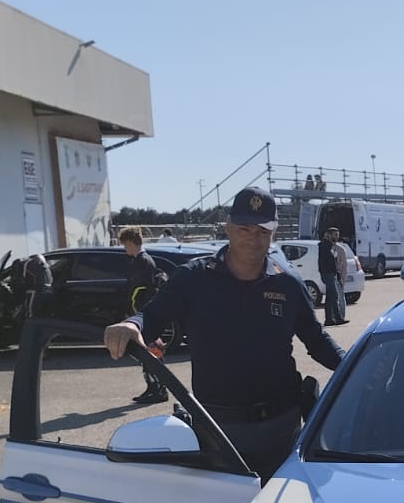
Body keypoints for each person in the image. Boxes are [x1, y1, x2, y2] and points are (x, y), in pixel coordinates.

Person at [103, 186, 343, 483]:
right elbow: (152, 316)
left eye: (263, 231)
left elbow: (317, 341)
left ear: (274, 232)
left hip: (281, 429)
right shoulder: (195, 278)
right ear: (228, 228)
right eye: (244, 229)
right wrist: (132, 325)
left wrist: (355, 367)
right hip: (218, 431)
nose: (253, 238)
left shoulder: (288, 284)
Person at [118, 227, 169, 404]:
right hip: (141, 313)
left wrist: (138, 313)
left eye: (125, 244)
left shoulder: (143, 261)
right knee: (147, 353)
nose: (124, 248)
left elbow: (146, 291)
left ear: (131, 242)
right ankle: (153, 387)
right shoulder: (140, 260)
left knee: (151, 352)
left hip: (143, 315)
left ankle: (159, 390)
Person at [317, 226, 348, 326]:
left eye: (337, 235)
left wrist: (337, 274)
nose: (337, 237)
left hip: (332, 274)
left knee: (330, 297)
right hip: (328, 274)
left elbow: (333, 262)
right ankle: (338, 318)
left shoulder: (330, 246)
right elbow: (324, 262)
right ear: (329, 235)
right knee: (334, 295)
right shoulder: (324, 246)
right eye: (335, 235)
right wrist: (326, 273)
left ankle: (329, 319)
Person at [20, 252, 52, 320]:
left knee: (30, 317)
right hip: (45, 293)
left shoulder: (28, 264)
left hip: (33, 293)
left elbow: (22, 281)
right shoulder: (44, 266)